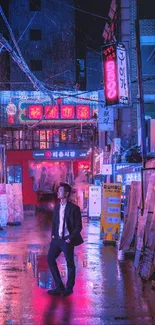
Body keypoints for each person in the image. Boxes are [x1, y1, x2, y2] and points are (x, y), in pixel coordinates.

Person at [47, 182, 84, 296]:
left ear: (66, 194)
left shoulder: (74, 208)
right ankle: (59, 286)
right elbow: (54, 222)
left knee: (70, 264)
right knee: (50, 259)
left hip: (67, 240)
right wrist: (53, 236)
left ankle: (69, 288)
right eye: (58, 190)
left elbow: (79, 226)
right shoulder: (57, 207)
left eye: (60, 190)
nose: (58, 192)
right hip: (57, 240)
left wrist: (70, 238)